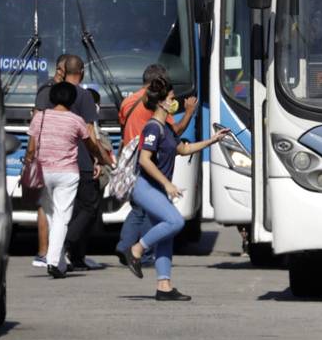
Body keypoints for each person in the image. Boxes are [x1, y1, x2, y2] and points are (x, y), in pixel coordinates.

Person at [119, 76, 228, 300]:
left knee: (166, 236)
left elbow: (183, 150)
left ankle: (164, 287)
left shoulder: (165, 127)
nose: (174, 102)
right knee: (175, 222)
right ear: (161, 102)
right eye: (170, 98)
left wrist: (213, 140)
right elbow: (145, 160)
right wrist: (167, 183)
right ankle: (136, 250)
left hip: (156, 188)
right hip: (146, 187)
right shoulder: (152, 128)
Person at [25, 82, 111, 278]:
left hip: (43, 172)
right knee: (63, 216)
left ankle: (56, 259)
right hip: (67, 174)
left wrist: (30, 163)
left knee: (51, 214)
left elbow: (31, 148)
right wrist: (98, 159)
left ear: (52, 98)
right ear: (72, 99)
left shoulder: (40, 117)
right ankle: (55, 261)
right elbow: (90, 144)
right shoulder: (76, 120)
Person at [115, 64, 197, 263]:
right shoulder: (154, 104)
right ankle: (140, 251)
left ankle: (124, 246)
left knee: (138, 208)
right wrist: (188, 112)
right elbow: (173, 132)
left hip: (129, 161)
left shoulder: (128, 101)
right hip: (150, 160)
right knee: (152, 211)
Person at [29, 54, 72, 267]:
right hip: (47, 158)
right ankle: (44, 252)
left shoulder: (63, 91)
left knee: (55, 207)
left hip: (57, 159)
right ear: (61, 70)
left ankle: (55, 253)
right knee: (47, 206)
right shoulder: (47, 92)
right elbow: (35, 127)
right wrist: (31, 157)